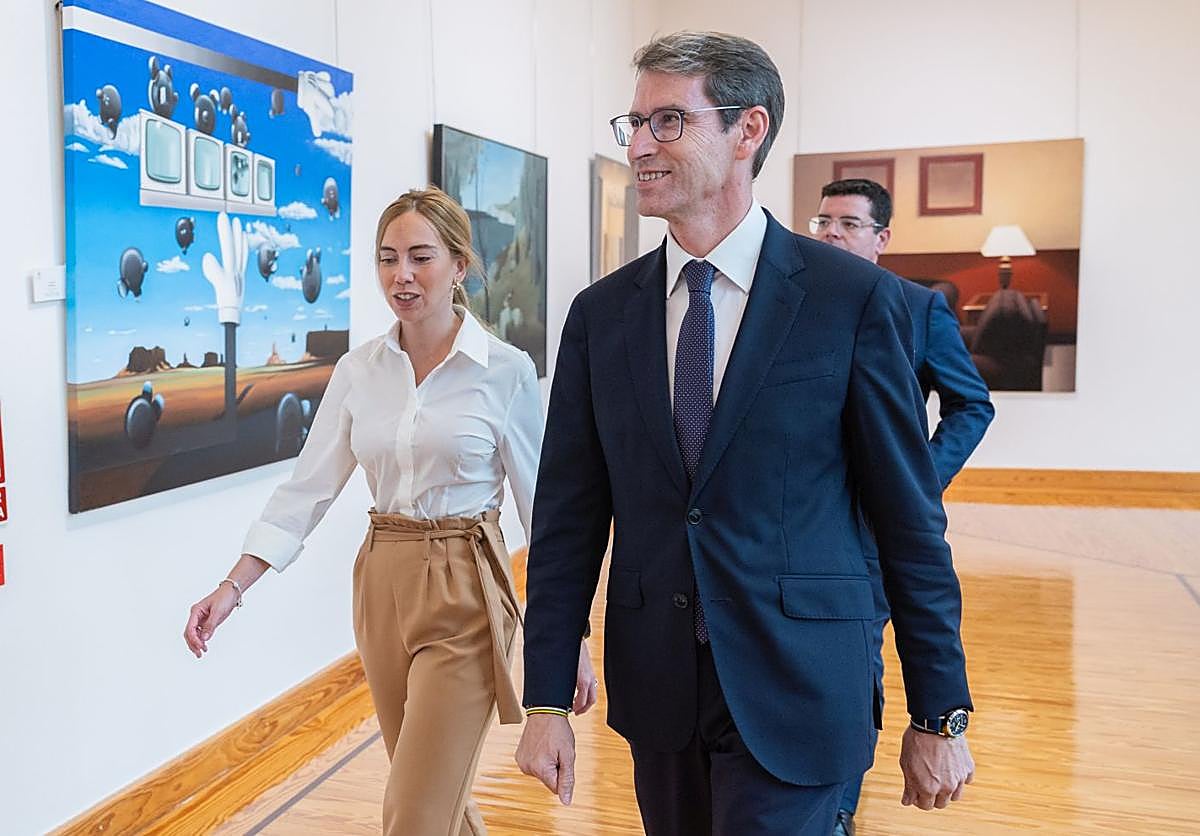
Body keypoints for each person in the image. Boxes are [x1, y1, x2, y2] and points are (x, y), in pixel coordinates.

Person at [515, 31, 975, 836]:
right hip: (660, 691)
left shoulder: (853, 300)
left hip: (801, 685)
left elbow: (909, 523)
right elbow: (566, 522)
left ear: (747, 130)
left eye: (668, 122)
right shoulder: (601, 316)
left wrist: (940, 711)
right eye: (635, 125)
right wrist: (547, 695)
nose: (643, 147)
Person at [183, 187, 596, 836]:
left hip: (465, 590)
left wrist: (569, 639)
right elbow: (306, 490)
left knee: (413, 814)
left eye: (420, 257)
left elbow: (546, 514)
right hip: (380, 585)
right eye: (387, 258)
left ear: (459, 266)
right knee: (434, 800)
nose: (401, 275)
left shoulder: (506, 371)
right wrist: (234, 586)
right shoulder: (358, 371)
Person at [811, 178, 994, 836]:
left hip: (877, 525)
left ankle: (839, 811)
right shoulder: (791, 302)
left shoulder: (917, 308)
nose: (831, 233)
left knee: (862, 657)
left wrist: (919, 479)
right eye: (824, 221)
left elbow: (973, 404)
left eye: (849, 224)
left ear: (882, 239)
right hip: (803, 523)